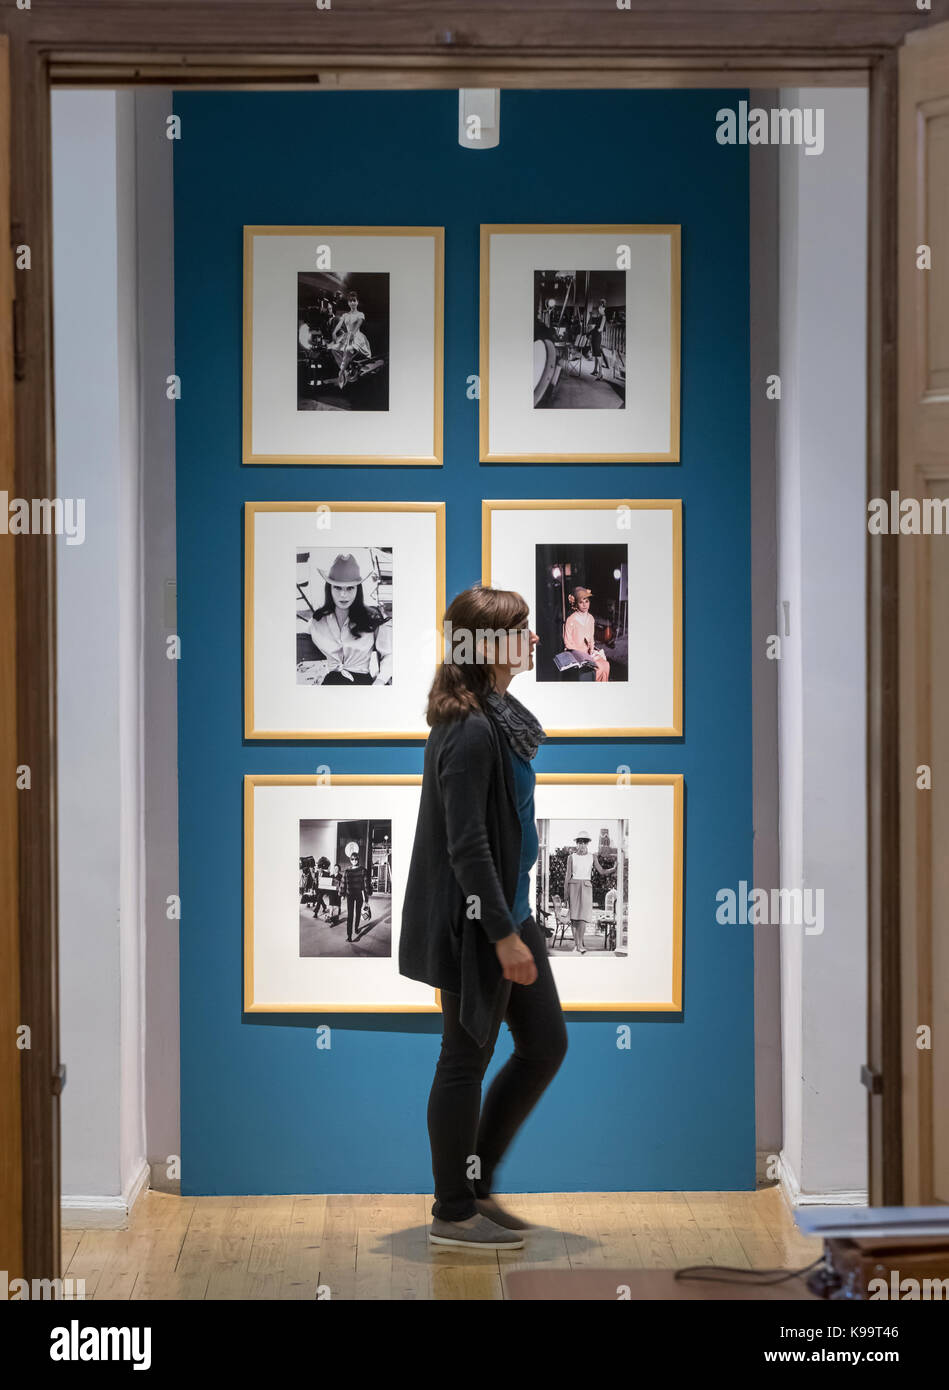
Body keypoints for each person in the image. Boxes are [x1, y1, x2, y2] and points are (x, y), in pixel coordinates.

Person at [399, 584, 568, 1251]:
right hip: (479, 926)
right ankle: (452, 1211)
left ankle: (476, 1185)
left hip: (509, 913)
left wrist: (513, 924)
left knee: (543, 1045)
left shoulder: (497, 715)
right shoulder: (469, 729)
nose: (532, 639)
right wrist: (501, 935)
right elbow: (465, 844)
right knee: (463, 1057)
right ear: (490, 645)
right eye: (522, 630)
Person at [306, 553, 392, 685]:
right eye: (337, 587)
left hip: (362, 685)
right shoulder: (317, 622)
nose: (343, 595)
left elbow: (389, 655)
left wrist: (380, 681)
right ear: (329, 588)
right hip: (330, 686)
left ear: (358, 589)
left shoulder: (372, 619)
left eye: (350, 588)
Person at [562, 831, 612, 953]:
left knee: (583, 918)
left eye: (584, 842)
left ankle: (579, 945)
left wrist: (613, 869)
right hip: (573, 886)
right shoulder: (571, 857)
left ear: (587, 844)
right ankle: (578, 945)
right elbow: (567, 876)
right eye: (580, 842)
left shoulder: (592, 857)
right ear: (576, 844)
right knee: (574, 918)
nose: (582, 845)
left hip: (586, 887)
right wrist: (565, 893)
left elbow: (601, 871)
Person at [562, 585, 610, 682]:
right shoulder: (570, 620)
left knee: (606, 665)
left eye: (586, 601)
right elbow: (568, 643)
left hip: (588, 653)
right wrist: (581, 653)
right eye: (581, 602)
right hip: (575, 653)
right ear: (576, 604)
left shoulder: (591, 618)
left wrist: (591, 650)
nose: (584, 605)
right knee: (598, 668)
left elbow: (591, 638)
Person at [330, 290, 372, 388]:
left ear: (357, 302)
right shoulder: (345, 315)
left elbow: (358, 324)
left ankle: (341, 373)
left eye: (354, 300)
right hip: (346, 336)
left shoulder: (360, 314)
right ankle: (344, 370)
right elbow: (340, 324)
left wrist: (353, 334)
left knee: (348, 350)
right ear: (348, 303)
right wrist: (334, 332)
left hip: (357, 337)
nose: (352, 303)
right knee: (333, 349)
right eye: (350, 301)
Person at [341, 846, 370, 943]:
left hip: (359, 895)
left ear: (358, 859)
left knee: (358, 913)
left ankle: (356, 928)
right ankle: (349, 935)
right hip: (350, 894)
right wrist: (342, 894)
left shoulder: (363, 870)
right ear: (350, 860)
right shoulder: (347, 871)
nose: (354, 861)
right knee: (350, 915)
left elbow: (366, 884)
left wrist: (367, 897)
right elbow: (343, 883)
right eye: (352, 859)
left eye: (356, 859)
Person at [588, 297, 607, 381]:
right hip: (595, 336)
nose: (599, 309)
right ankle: (595, 370)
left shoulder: (603, 317)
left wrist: (594, 328)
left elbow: (601, 329)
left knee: (598, 355)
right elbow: (596, 327)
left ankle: (600, 373)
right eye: (599, 307)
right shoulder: (599, 317)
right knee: (595, 354)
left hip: (598, 336)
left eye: (601, 307)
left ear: (604, 308)